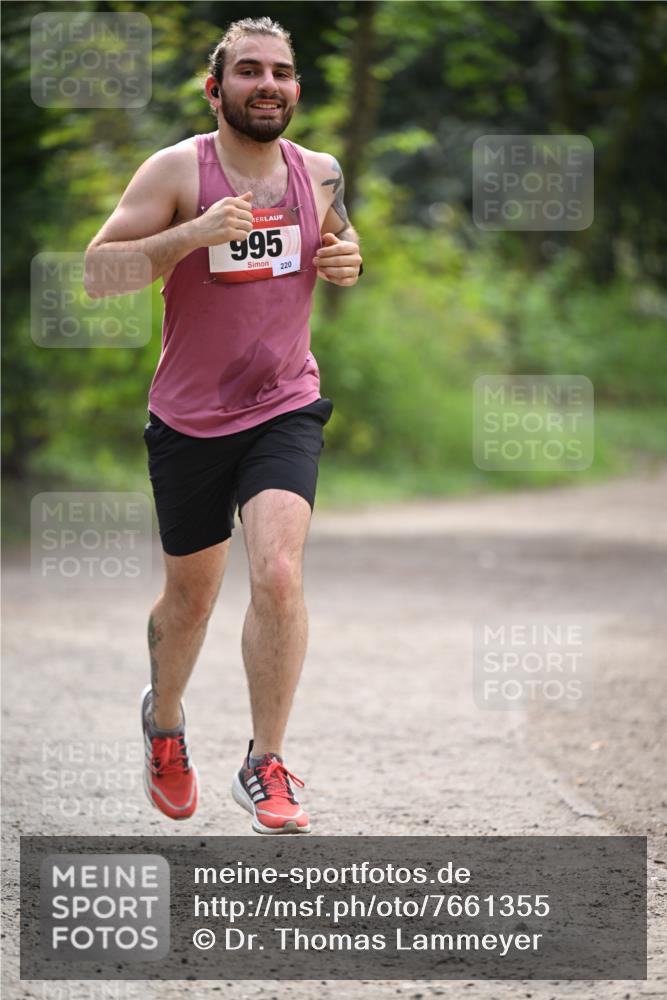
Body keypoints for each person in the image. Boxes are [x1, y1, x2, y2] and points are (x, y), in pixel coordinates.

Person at [84, 17, 362, 834]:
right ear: (217, 90)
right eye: (248, 71)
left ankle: (265, 761)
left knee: (277, 572)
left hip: (283, 403)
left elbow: (339, 242)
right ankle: (165, 724)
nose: (267, 83)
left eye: (280, 71)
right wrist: (194, 233)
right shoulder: (177, 168)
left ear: (296, 88)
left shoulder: (320, 172)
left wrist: (349, 257)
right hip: (189, 418)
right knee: (190, 603)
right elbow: (99, 273)